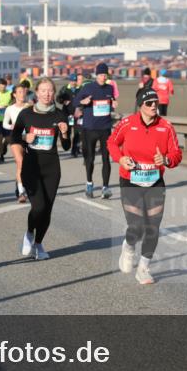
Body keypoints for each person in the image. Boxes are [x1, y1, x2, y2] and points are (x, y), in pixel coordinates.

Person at [107, 88, 183, 285]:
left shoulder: (166, 127)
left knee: (153, 227)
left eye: (156, 103)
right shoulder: (127, 123)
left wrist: (166, 159)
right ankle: (129, 247)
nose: (154, 106)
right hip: (130, 181)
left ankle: (143, 268)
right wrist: (121, 159)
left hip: (155, 182)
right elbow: (112, 143)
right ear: (140, 105)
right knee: (137, 225)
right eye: (149, 103)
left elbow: (177, 154)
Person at [9, 78, 71, 261]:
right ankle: (29, 233)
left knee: (47, 210)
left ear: (54, 93)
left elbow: (67, 146)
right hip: (31, 167)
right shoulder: (26, 114)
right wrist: (24, 137)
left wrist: (65, 133)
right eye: (43, 91)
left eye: (50, 91)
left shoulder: (60, 115)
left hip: (52, 168)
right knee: (39, 206)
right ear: (36, 93)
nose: (47, 94)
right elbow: (13, 137)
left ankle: (38, 244)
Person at [74, 62, 117, 199]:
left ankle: (105, 188)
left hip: (105, 128)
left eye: (105, 75)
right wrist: (83, 102)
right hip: (90, 129)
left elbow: (111, 102)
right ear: (96, 75)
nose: (103, 77)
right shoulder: (88, 87)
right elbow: (75, 102)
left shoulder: (110, 88)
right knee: (90, 158)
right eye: (101, 75)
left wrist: (113, 104)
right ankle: (89, 184)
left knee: (106, 159)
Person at [2, 84, 31, 202]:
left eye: (24, 91)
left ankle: (20, 184)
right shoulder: (10, 108)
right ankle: (21, 192)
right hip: (15, 137)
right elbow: (4, 123)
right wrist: (11, 126)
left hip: (28, 138)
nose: (22, 94)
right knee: (20, 162)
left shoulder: (30, 107)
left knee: (28, 166)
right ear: (14, 94)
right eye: (19, 92)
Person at [56, 74, 82, 157]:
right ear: (69, 81)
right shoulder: (65, 89)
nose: (73, 83)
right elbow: (58, 98)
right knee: (69, 132)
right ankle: (68, 146)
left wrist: (81, 109)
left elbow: (84, 99)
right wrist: (63, 101)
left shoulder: (80, 89)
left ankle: (75, 150)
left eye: (75, 81)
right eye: (72, 81)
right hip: (68, 115)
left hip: (77, 116)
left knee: (78, 133)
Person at [0, 78, 13, 164]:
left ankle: (4, 147)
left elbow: (13, 104)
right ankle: (1, 156)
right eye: (1, 87)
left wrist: (7, 106)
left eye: (4, 87)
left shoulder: (9, 93)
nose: (2, 89)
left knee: (8, 139)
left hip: (7, 119)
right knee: (0, 138)